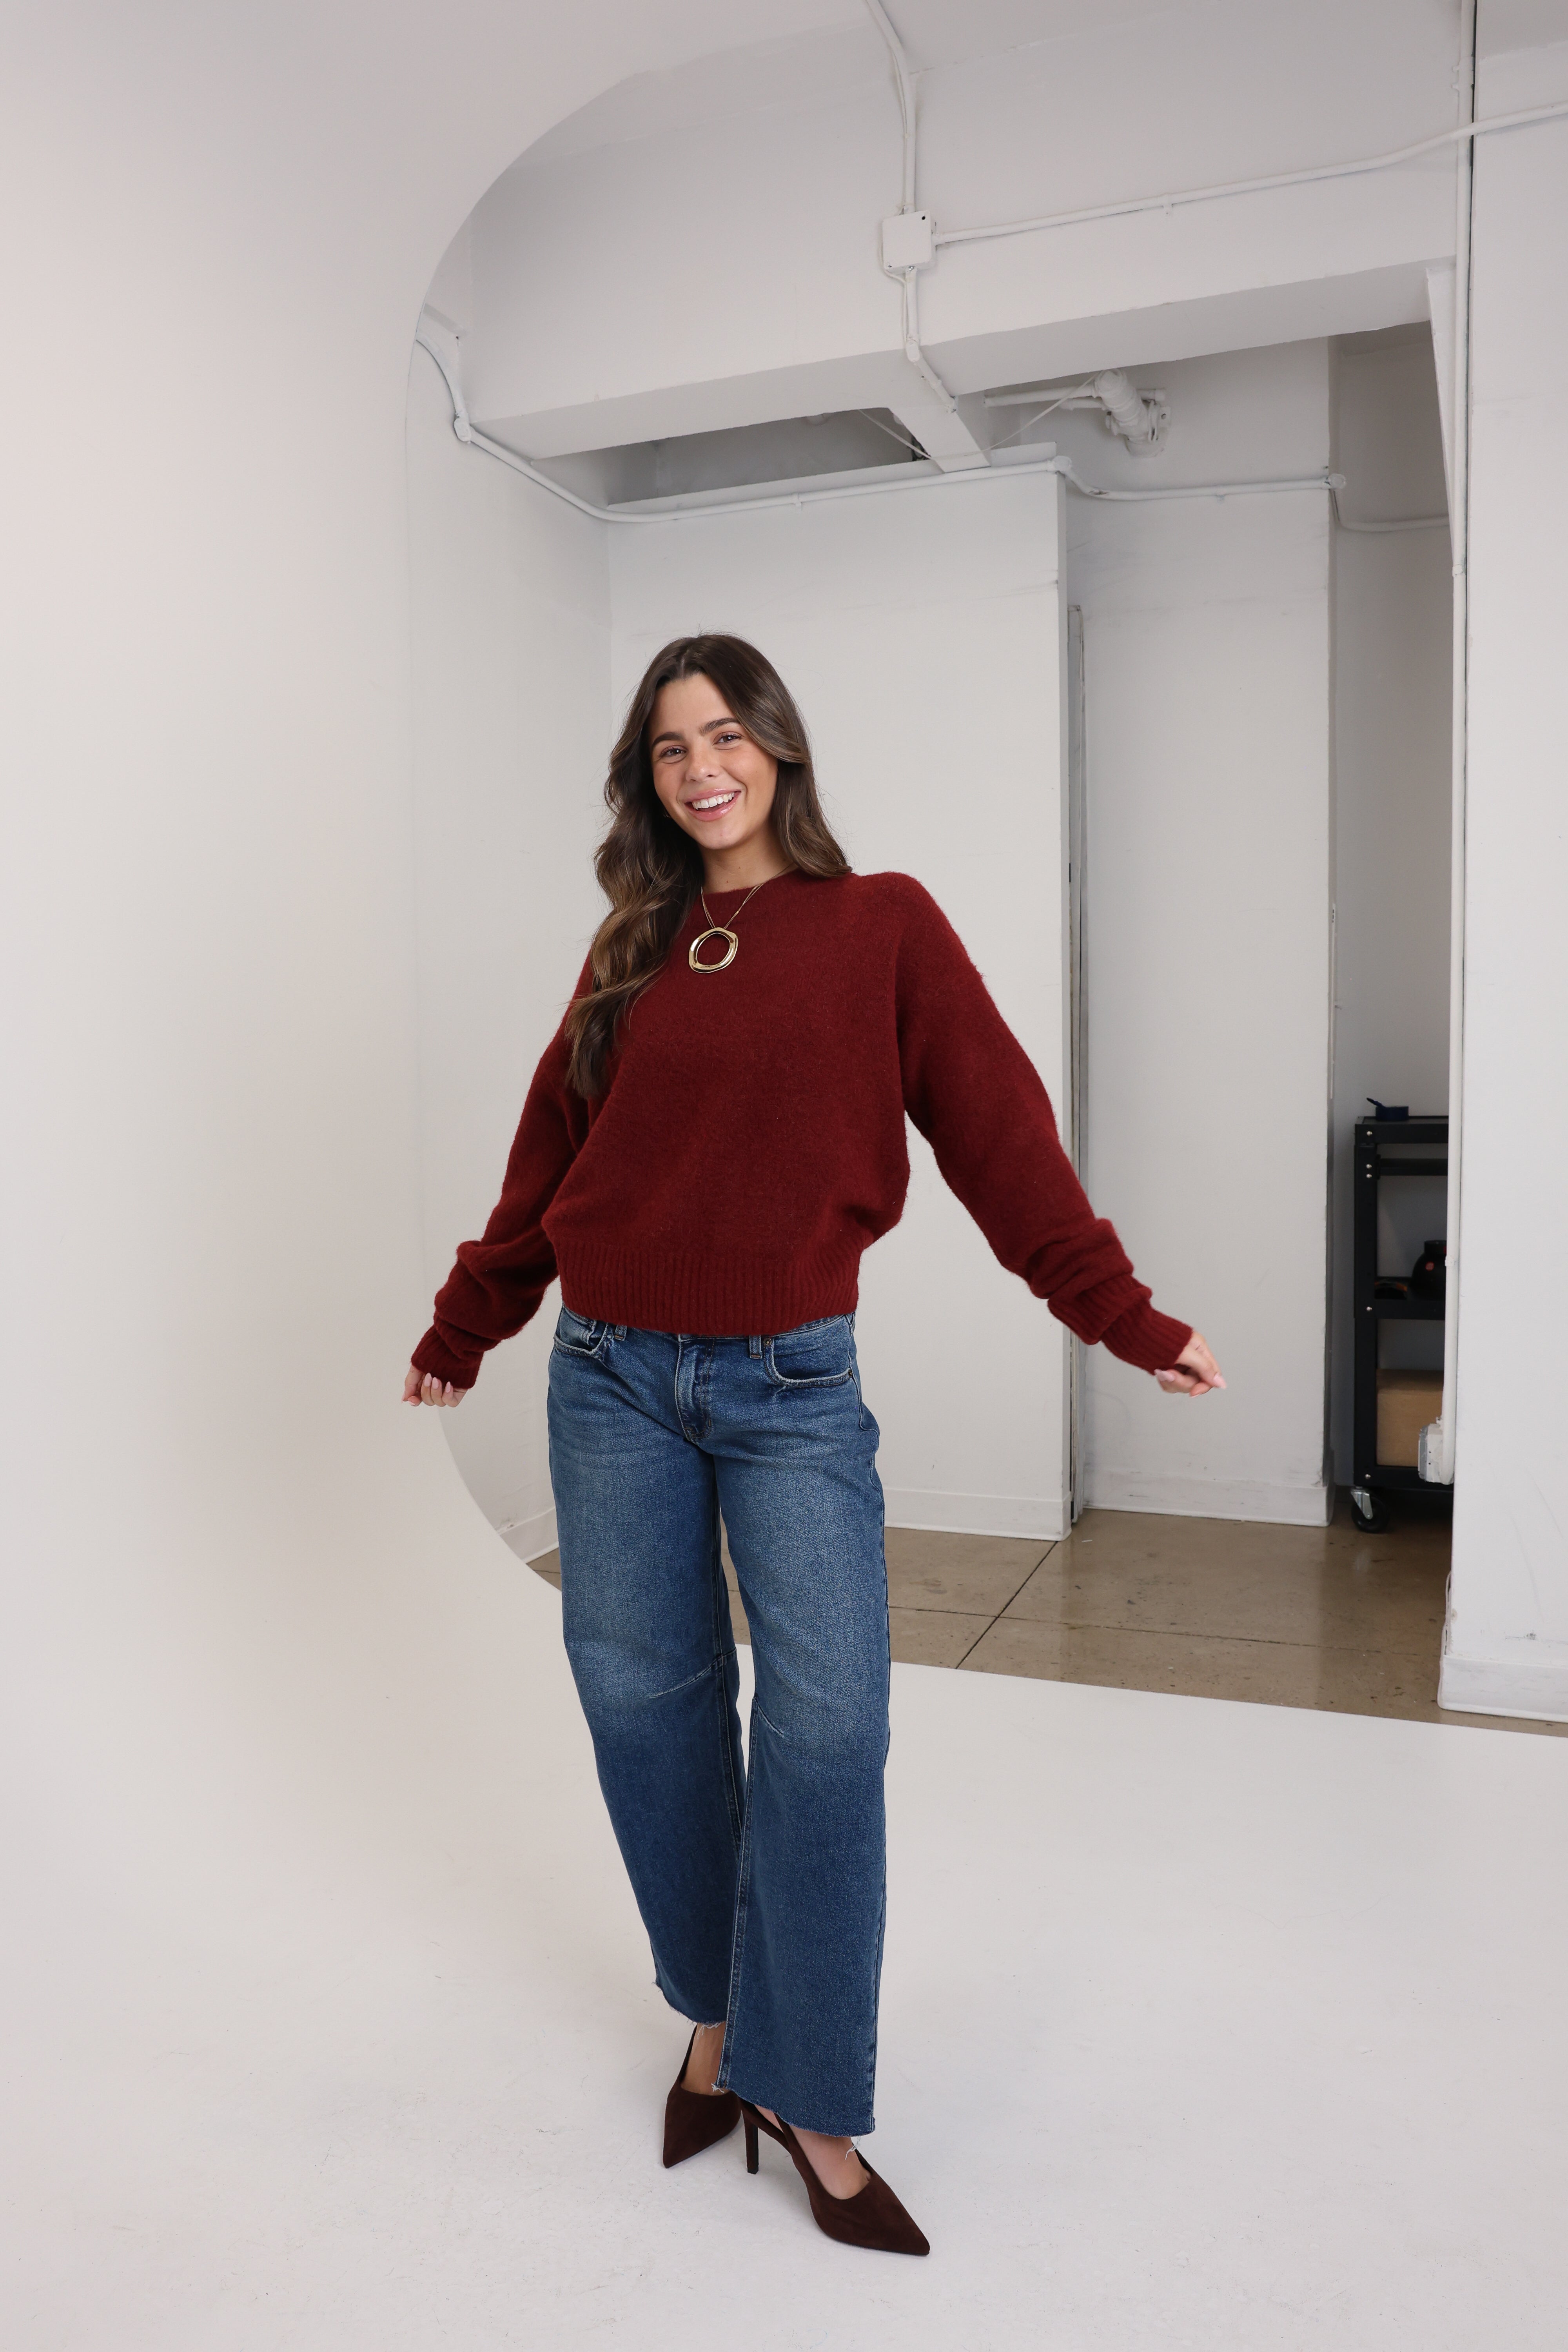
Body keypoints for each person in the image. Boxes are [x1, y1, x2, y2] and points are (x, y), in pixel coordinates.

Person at [405, 633, 1222, 2257]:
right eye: (667, 749)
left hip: (789, 1388)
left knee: (830, 1733)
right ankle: (715, 2021)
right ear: (648, 782)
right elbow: (548, 1149)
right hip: (610, 1377)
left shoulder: (881, 925)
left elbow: (998, 1133)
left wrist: (1114, 1308)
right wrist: (468, 1318)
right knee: (649, 1711)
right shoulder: (632, 943)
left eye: (726, 734)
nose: (700, 767)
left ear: (779, 746)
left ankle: (811, 2093)